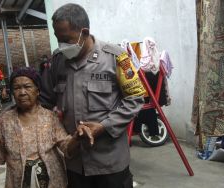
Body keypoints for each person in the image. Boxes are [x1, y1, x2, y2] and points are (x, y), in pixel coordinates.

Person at [40, 3, 146, 188]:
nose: (61, 45)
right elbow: (45, 102)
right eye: (58, 39)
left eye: (66, 39)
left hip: (109, 161)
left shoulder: (116, 57)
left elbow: (135, 98)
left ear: (84, 32)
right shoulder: (57, 61)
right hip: (73, 160)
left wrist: (104, 126)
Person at [0, 67, 94, 188]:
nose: (22, 92)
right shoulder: (5, 121)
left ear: (37, 91)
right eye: (17, 88)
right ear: (12, 92)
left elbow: (65, 146)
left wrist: (77, 137)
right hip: (18, 182)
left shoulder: (50, 117)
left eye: (27, 87)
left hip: (52, 182)